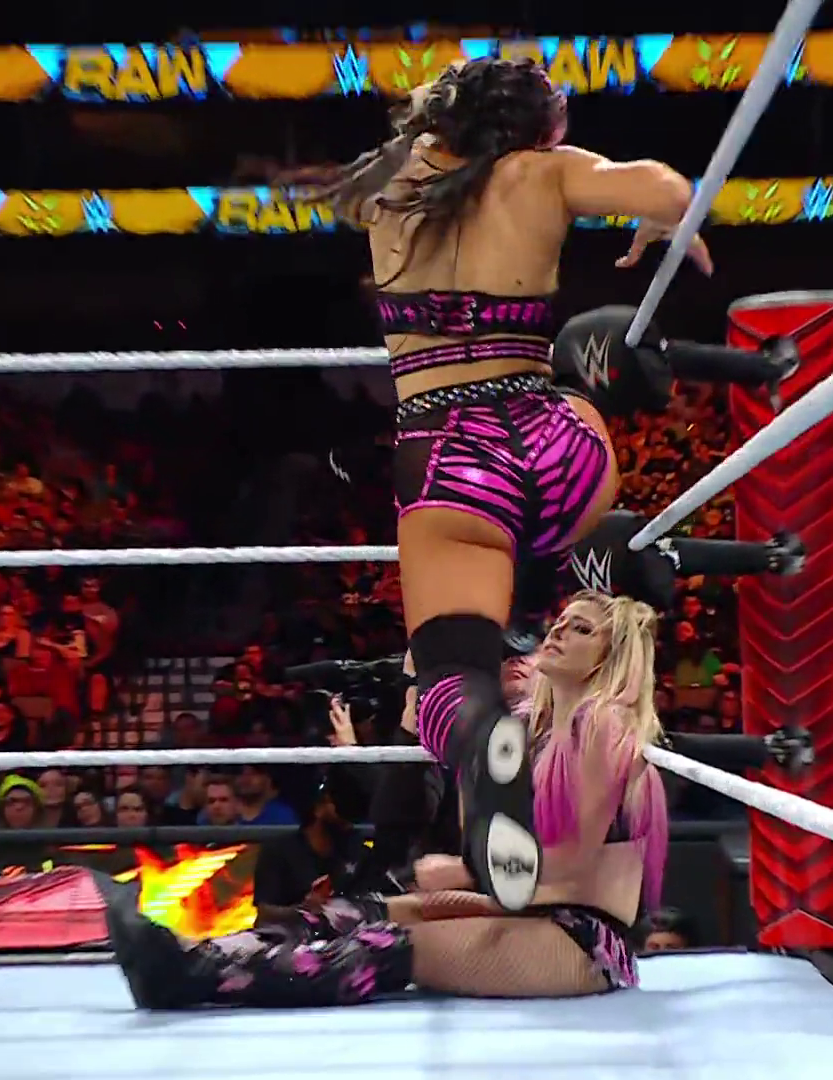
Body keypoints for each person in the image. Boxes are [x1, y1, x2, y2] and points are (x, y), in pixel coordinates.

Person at [297, 57, 712, 911]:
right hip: (564, 452)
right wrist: (659, 220)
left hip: (454, 461)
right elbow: (670, 187)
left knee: (449, 676)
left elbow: (388, 155)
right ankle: (553, 603)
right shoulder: (546, 173)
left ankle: (490, 748)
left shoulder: (391, 186)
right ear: (537, 129)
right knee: (584, 372)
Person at [99, 591, 667, 1009]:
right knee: (361, 912)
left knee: (388, 945)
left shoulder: (604, 726)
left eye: (581, 629)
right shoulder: (529, 728)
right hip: (531, 905)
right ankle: (193, 952)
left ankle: (191, 979)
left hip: (583, 939)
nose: (559, 632)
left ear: (612, 656)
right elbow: (488, 834)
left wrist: (470, 882)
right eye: (561, 621)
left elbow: (568, 870)